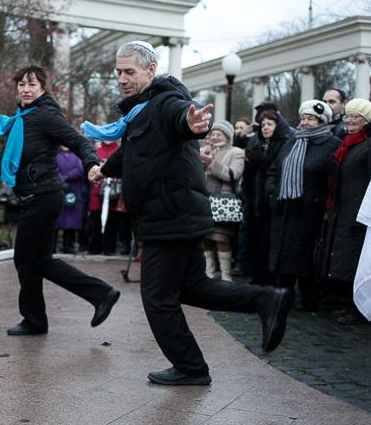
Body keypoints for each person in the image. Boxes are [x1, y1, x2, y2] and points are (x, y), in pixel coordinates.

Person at [86, 41, 289, 386]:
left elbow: (183, 118)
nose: (121, 79)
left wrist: (193, 124)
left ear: (150, 71)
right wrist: (105, 169)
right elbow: (137, 153)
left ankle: (191, 367)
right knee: (194, 288)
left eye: (129, 72)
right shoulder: (139, 111)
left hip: (171, 216)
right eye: (118, 72)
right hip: (170, 216)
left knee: (157, 298)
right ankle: (265, 299)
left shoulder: (165, 102)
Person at [0, 65, 121, 336]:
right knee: (38, 260)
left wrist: (91, 164)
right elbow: (8, 159)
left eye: (32, 84)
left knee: (27, 259)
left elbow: (78, 142)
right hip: (35, 194)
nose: (26, 89)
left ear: (42, 88)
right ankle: (94, 297)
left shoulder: (45, 115)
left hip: (43, 196)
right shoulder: (23, 118)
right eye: (21, 84)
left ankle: (48, 314)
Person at [266, 100, 341, 311]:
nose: (305, 122)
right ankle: (283, 296)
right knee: (282, 256)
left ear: (321, 121)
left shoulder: (331, 143)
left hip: (310, 210)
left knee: (305, 257)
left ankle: (309, 299)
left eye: (311, 118)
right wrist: (271, 192)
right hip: (284, 208)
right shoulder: (292, 141)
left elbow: (332, 178)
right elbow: (274, 169)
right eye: (303, 118)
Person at [322, 98, 371, 324]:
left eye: (354, 117)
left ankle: (359, 308)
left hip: (359, 212)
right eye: (347, 116)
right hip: (344, 209)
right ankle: (348, 303)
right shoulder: (348, 143)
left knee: (356, 260)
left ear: (366, 120)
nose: (348, 120)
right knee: (346, 259)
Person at [243, 109, 294, 286]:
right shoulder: (255, 143)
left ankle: (271, 279)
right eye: (263, 125)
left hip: (271, 202)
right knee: (255, 242)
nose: (265, 128)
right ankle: (258, 276)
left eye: (270, 124)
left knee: (270, 243)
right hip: (255, 201)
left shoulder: (285, 143)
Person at [200, 120, 245, 281]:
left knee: (221, 238)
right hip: (205, 201)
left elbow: (233, 175)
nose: (215, 137)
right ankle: (209, 273)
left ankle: (226, 275)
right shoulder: (205, 150)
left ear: (227, 137)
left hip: (224, 202)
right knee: (205, 238)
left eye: (219, 134)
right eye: (213, 134)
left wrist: (211, 163)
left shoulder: (237, 152)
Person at [55, 147, 88, 254]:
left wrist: (66, 176)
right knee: (56, 220)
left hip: (75, 191)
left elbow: (80, 169)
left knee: (71, 221)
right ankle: (52, 247)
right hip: (58, 189)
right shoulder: (55, 155)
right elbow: (52, 168)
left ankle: (68, 246)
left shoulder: (79, 155)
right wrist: (59, 178)